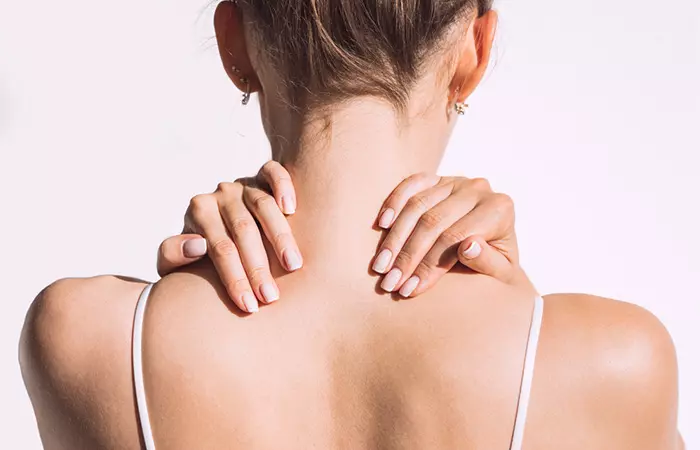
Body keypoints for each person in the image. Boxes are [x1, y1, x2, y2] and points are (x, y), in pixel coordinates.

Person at [19, 0, 683, 449]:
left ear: (233, 41)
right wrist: (525, 315)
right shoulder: (614, 365)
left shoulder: (82, 338)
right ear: (475, 49)